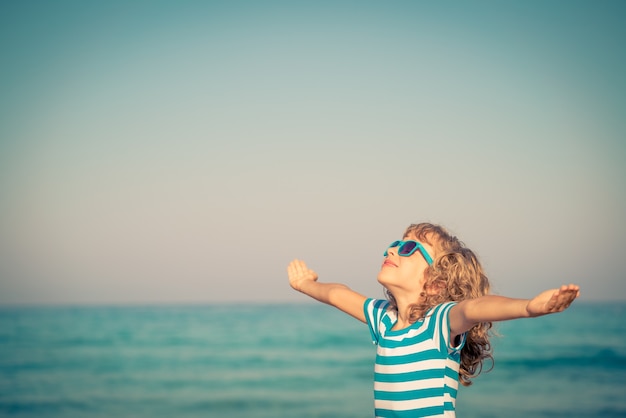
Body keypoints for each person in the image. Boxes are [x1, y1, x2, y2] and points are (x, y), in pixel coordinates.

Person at [287, 222, 580, 418]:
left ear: (437, 282)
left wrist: (528, 307)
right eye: (394, 244)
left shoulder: (437, 323)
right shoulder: (384, 321)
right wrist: (306, 285)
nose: (392, 250)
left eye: (408, 249)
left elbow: (475, 308)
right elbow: (339, 294)